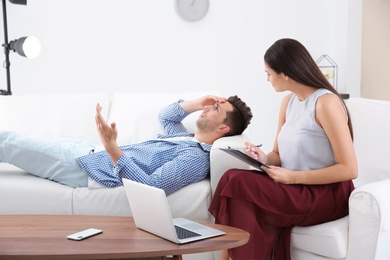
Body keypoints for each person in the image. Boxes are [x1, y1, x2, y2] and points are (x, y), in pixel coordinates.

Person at [209, 38, 358, 260]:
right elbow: (277, 155)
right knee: (232, 180)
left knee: (238, 183)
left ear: (285, 73)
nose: (267, 79)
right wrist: (263, 157)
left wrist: (293, 177)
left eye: (268, 73)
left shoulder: (326, 103)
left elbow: (349, 169)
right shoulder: (288, 102)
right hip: (294, 188)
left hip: (326, 194)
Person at [0, 95, 252, 195]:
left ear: (223, 129)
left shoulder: (195, 159)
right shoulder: (186, 138)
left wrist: (112, 148)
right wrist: (199, 102)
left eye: (215, 109)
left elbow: (152, 186)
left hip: (87, 168)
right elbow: (166, 116)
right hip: (88, 151)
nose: (208, 109)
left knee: (8, 143)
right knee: (10, 138)